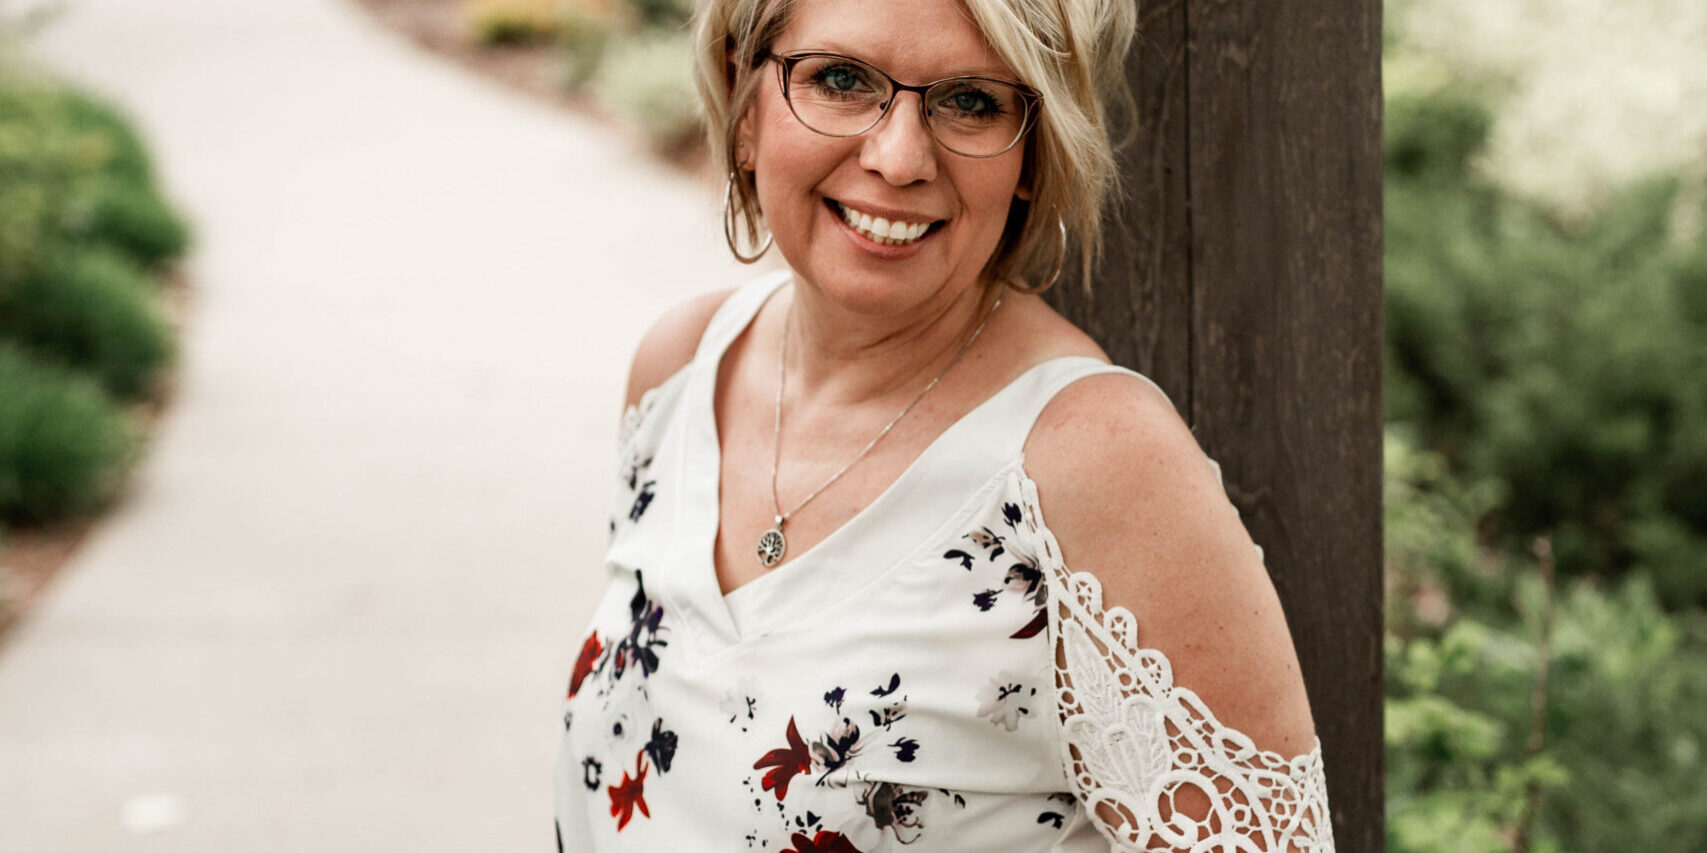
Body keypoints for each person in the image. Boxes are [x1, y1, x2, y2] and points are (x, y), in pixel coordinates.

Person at [553, 0, 1335, 847]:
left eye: (970, 101)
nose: (896, 158)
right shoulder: (681, 367)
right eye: (840, 80)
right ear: (747, 105)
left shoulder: (1096, 461)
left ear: (1033, 154)